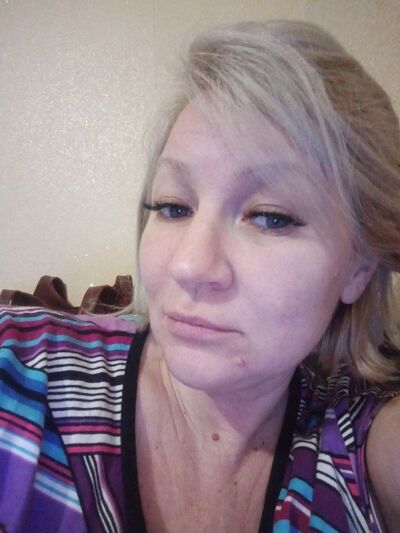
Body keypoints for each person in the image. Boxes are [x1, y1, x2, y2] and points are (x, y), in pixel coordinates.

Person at [0, 20, 399, 533]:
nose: (189, 265)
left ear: (359, 268)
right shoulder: (20, 370)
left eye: (270, 217)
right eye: (173, 206)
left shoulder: (362, 451)